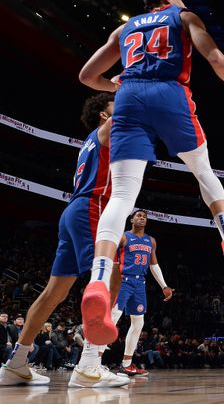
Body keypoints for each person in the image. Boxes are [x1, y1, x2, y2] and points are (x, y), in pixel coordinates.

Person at [78, 0, 224, 345]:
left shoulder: (125, 28)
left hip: (129, 98)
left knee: (123, 196)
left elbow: (86, 76)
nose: (183, 1)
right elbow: (213, 56)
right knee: (203, 170)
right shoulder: (183, 16)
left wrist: (121, 86)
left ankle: (98, 280)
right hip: (170, 93)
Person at [0, 94, 129, 387]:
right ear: (103, 115)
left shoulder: (89, 142)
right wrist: (136, 81)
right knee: (112, 277)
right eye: (113, 107)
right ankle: (88, 367)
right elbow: (127, 113)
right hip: (91, 207)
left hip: (74, 211)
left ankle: (16, 364)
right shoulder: (105, 130)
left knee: (53, 293)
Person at [110, 209, 174, 376]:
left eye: (144, 216)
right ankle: (95, 361)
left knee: (138, 323)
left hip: (140, 283)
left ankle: (126, 363)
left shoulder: (150, 241)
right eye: (138, 215)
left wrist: (164, 286)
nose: (142, 218)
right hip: (123, 281)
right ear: (131, 219)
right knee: (112, 319)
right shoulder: (123, 237)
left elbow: (154, 265)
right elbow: (113, 260)